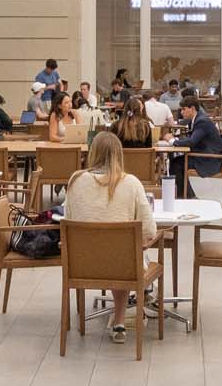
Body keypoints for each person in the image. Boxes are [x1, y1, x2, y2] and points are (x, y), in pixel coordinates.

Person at [62, 132, 158, 342]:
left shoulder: (75, 180)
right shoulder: (131, 183)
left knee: (119, 251)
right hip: (122, 266)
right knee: (126, 253)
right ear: (118, 155)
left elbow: (68, 218)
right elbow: (150, 230)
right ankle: (120, 322)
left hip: (81, 263)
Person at [168, 91, 222, 199]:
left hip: (210, 159)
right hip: (204, 154)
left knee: (176, 164)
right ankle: (186, 195)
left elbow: (191, 142)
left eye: (184, 109)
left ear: (192, 108)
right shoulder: (196, 119)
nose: (181, 112)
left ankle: (186, 197)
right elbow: (192, 138)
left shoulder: (201, 121)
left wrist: (172, 141)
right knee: (175, 160)